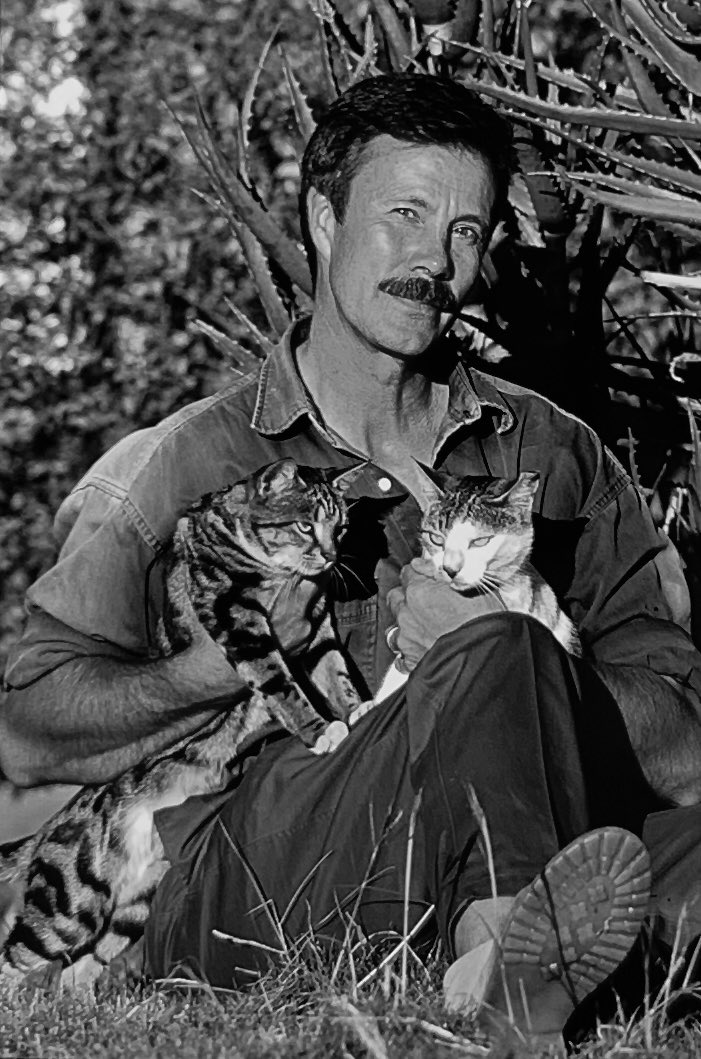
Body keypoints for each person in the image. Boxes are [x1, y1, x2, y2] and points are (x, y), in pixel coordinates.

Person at [2, 72, 701, 1046]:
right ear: (324, 218)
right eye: (404, 214)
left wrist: (544, 670)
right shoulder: (178, 466)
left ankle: (517, 951)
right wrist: (206, 673)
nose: (434, 260)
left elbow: (685, 753)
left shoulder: (554, 455)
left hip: (541, 827)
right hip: (269, 859)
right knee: (493, 659)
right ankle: (507, 973)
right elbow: (30, 736)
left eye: (465, 229)